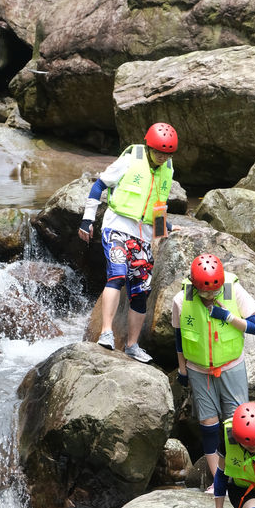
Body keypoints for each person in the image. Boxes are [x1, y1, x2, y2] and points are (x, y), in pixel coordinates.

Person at [78, 123, 178, 363]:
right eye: (159, 152)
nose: (163, 157)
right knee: (117, 274)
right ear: (149, 147)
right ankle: (106, 333)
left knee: (141, 290)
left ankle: (132, 345)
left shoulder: (168, 169)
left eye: (167, 153)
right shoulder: (131, 158)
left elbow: (158, 205)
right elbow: (99, 185)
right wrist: (87, 220)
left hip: (142, 234)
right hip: (118, 226)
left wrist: (167, 229)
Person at [172, 254, 255, 491]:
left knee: (237, 426)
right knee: (208, 425)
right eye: (206, 292)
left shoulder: (233, 291)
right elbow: (179, 339)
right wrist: (182, 369)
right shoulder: (182, 299)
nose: (211, 296)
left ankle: (241, 477)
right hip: (199, 370)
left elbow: (254, 327)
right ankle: (217, 480)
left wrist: (229, 317)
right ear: (194, 285)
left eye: (215, 291)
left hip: (231, 366)